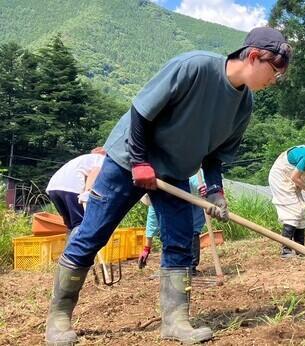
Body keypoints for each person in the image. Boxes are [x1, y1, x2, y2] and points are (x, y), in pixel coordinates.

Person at [45, 27, 292, 345]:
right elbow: (140, 112)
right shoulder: (195, 67)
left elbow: (215, 155)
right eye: (275, 72)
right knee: (92, 233)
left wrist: (215, 190)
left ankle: (176, 321)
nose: (275, 81)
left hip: (175, 171)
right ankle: (58, 318)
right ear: (255, 56)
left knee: (178, 241)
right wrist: (139, 162)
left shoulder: (244, 107)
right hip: (127, 159)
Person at [138, 171, 206, 275]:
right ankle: (171, 267)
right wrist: (146, 248)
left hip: (196, 199)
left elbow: (200, 183)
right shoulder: (155, 195)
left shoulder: (190, 179)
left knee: (192, 230)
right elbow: (152, 222)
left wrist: (205, 189)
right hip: (174, 198)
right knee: (167, 229)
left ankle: (190, 268)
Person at [45, 147, 106, 237]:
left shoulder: (83, 159)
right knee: (79, 223)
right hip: (70, 188)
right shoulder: (101, 159)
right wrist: (87, 191)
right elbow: (94, 172)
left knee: (70, 224)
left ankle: (69, 249)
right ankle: (78, 250)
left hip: (53, 188)